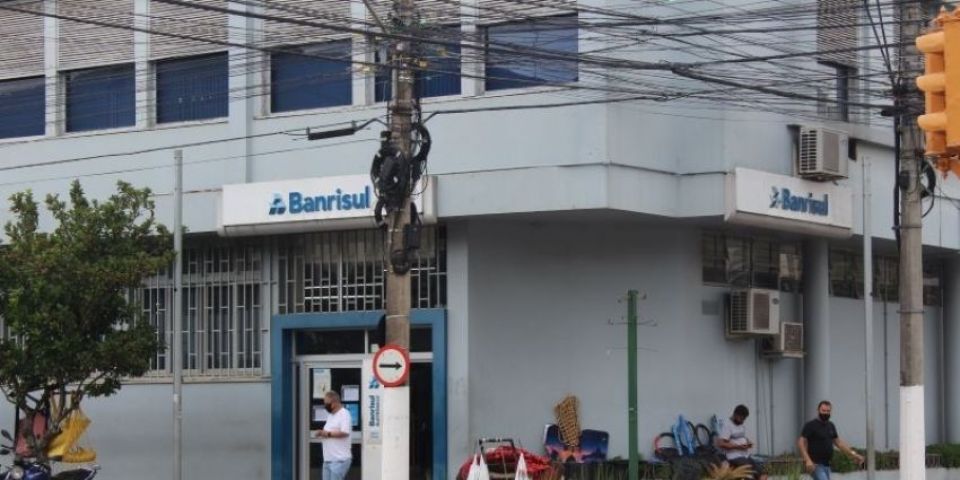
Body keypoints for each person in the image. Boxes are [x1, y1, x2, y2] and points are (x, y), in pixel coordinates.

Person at [797, 400, 864, 480]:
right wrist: (807, 460)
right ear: (818, 410)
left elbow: (839, 443)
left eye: (828, 411)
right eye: (823, 410)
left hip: (827, 465)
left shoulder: (831, 426)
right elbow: (801, 443)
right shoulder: (810, 425)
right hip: (816, 465)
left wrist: (854, 455)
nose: (825, 413)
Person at [716, 405, 767, 480]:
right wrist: (738, 447)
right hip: (734, 456)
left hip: (745, 455)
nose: (743, 421)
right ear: (735, 415)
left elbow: (742, 437)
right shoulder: (727, 425)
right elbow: (720, 443)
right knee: (750, 475)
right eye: (742, 418)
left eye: (744, 419)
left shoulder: (740, 424)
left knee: (762, 473)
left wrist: (748, 442)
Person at [313, 391, 353, 480]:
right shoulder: (331, 415)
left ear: (334, 403)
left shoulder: (344, 414)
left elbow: (345, 432)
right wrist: (321, 432)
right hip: (328, 459)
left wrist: (327, 434)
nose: (325, 406)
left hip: (339, 460)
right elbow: (330, 431)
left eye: (326, 403)